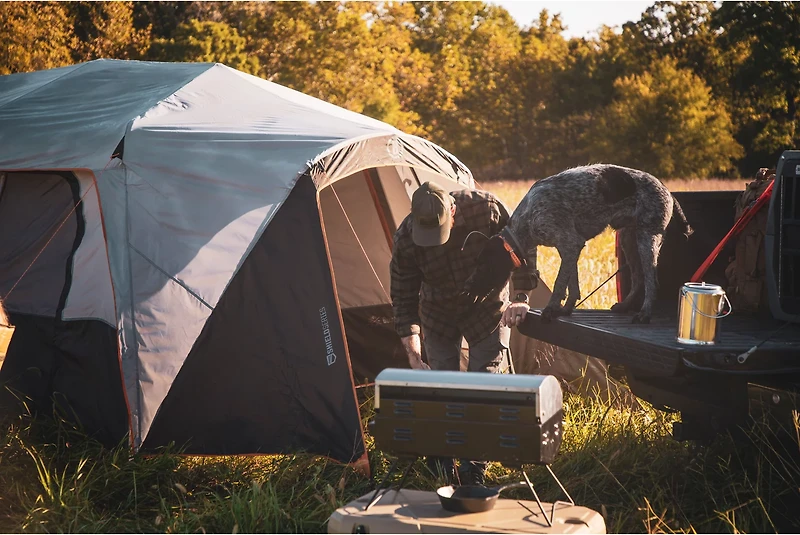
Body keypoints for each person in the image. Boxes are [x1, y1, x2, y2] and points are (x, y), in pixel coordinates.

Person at [390, 181, 538, 485]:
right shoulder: (406, 238)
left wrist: (521, 297)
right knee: (441, 385)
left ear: (453, 211)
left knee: (482, 384)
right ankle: (442, 463)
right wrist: (415, 359)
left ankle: (474, 467)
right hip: (438, 312)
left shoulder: (487, 210)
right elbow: (404, 302)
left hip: (488, 308)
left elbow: (523, 244)